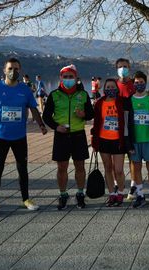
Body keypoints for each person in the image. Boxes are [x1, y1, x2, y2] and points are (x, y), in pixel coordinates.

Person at [0, 57, 48, 218]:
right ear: (4, 70)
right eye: (10, 68)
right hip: (0, 136)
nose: (13, 72)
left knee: (22, 169)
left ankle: (26, 199)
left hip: (19, 136)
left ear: (20, 71)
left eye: (16, 69)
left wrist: (41, 125)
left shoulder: (25, 89)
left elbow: (33, 108)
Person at [43, 64, 94, 210]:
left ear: (76, 78)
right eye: (65, 77)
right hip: (61, 136)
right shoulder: (54, 95)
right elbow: (46, 116)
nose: (68, 79)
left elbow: (91, 114)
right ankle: (63, 194)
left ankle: (80, 193)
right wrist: (55, 127)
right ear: (60, 78)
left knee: (80, 166)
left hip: (78, 135)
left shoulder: (83, 94)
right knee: (62, 167)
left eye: (71, 77)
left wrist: (84, 115)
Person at [124, 71, 149, 208]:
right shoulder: (129, 101)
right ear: (133, 84)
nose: (139, 85)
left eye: (141, 82)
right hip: (135, 141)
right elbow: (126, 123)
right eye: (136, 83)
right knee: (137, 168)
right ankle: (140, 195)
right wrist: (128, 143)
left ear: (145, 83)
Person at [91, 78, 128, 207]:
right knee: (107, 168)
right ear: (104, 89)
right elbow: (96, 123)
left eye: (113, 87)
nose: (110, 89)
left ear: (117, 89)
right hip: (103, 139)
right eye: (108, 87)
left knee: (118, 170)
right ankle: (111, 194)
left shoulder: (122, 102)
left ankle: (121, 193)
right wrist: (94, 142)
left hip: (118, 140)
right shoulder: (100, 103)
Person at [115, 58, 138, 201]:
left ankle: (134, 185)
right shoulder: (113, 86)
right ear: (116, 69)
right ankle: (118, 185)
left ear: (129, 67)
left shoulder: (135, 85)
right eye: (120, 67)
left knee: (133, 159)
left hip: (133, 128)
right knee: (117, 161)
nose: (122, 69)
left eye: (125, 66)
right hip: (117, 129)